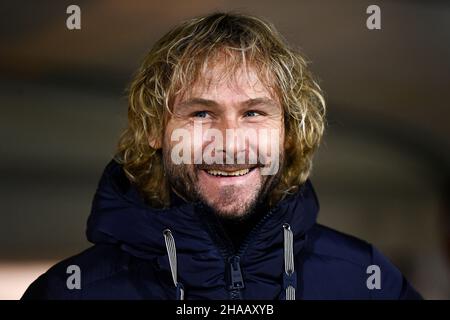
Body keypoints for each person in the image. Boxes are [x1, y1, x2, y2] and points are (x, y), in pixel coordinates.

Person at [22, 12, 421, 300]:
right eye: (200, 113)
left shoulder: (366, 281)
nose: (230, 142)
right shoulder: (72, 291)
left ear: (287, 133)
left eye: (253, 112)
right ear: (152, 131)